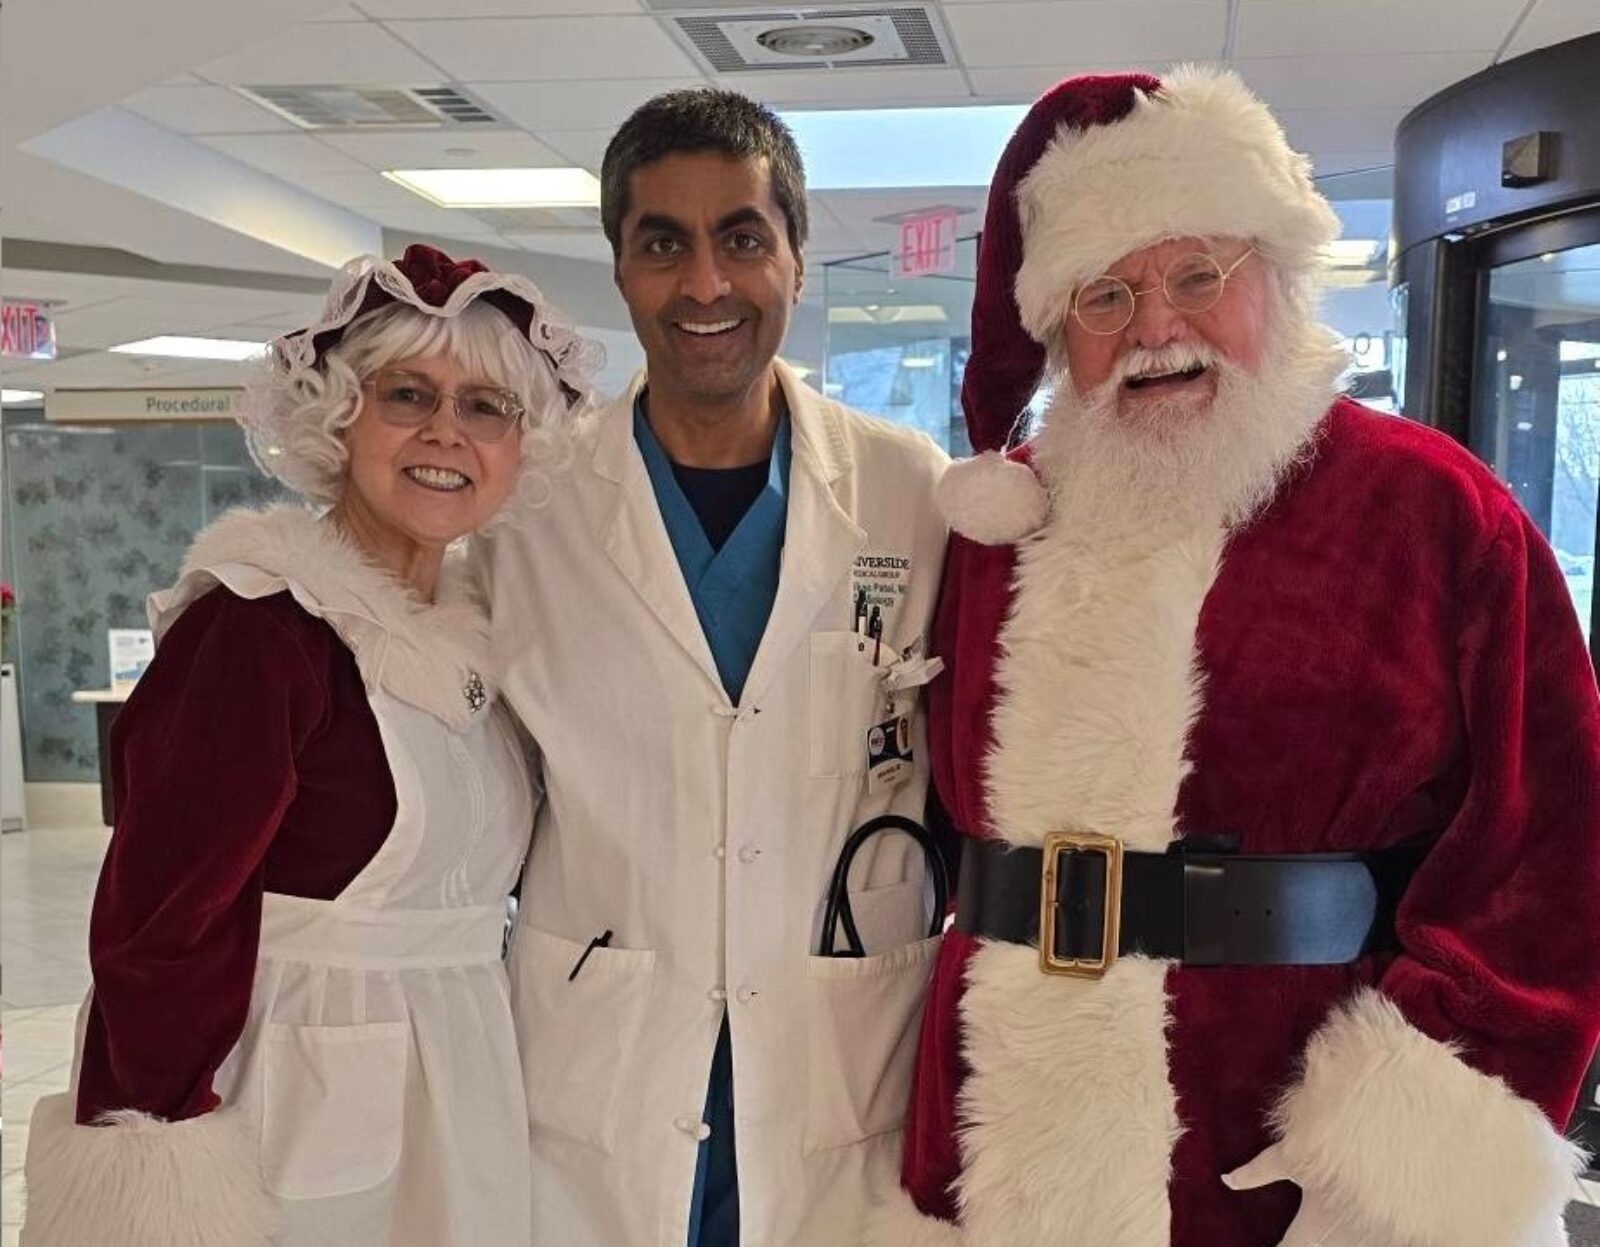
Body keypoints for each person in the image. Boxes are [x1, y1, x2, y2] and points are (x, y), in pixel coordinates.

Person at [869, 67, 1600, 1247]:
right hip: (1002, 1128)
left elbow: (1547, 847)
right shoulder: (1005, 527)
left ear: (1277, 279)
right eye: (1105, 296)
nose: (1155, 327)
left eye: (1196, 276)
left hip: (1279, 1150)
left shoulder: (1430, 511)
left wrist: (1406, 1141)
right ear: (1059, 331)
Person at [21, 244, 597, 1247]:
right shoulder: (258, 629)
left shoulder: (487, 643)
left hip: (463, 1084)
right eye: (406, 394)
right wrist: (157, 1152)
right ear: (337, 415)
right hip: (290, 1094)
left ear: (521, 447)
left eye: (484, 407)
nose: (443, 433)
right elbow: (156, 927)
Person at [476, 89, 950, 1247]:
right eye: (661, 243)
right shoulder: (526, 509)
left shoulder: (911, 492)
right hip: (602, 1057)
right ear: (620, 266)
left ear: (794, 252)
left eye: (741, 236)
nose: (704, 285)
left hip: (840, 1060)